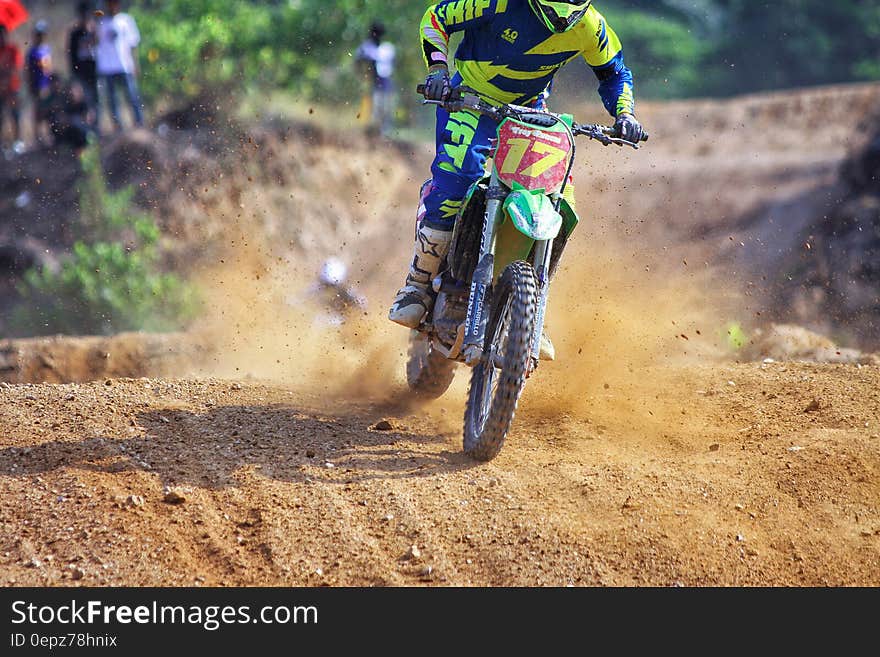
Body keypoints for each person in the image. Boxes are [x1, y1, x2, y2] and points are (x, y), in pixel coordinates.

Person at [387, 1, 646, 360]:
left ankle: (530, 313)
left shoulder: (591, 25)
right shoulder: (497, 2)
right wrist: (437, 72)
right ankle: (417, 286)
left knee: (559, 201)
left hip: (531, 115)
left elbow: (615, 73)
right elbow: (437, 17)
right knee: (457, 179)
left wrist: (625, 114)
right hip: (469, 101)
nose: (561, 15)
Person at [95, 0, 143, 131]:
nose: (112, 6)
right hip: (107, 67)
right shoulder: (101, 23)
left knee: (132, 96)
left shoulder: (126, 20)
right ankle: (118, 127)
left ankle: (139, 123)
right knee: (112, 100)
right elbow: (95, 43)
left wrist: (135, 63)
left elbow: (133, 44)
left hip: (124, 65)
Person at [355, 22, 396, 137]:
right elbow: (358, 62)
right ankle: (371, 131)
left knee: (385, 108)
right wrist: (362, 76)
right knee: (374, 108)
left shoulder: (386, 48)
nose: (376, 36)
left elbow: (391, 65)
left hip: (384, 82)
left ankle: (383, 132)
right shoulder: (367, 47)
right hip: (372, 82)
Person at [68, 1, 98, 129]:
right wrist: (74, 74)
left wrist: (94, 32)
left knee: (97, 100)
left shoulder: (95, 31)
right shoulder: (75, 34)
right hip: (81, 71)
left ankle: (97, 127)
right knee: (86, 101)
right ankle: (88, 130)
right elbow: (71, 55)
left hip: (96, 70)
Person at [25, 20, 53, 145]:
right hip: (37, 86)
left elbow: (49, 68)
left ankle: (48, 135)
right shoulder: (32, 52)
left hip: (47, 85)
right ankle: (38, 137)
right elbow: (29, 71)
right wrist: (32, 86)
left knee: (48, 111)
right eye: (38, 34)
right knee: (38, 112)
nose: (41, 36)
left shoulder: (47, 49)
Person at [0, 25, 24, 154]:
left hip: (12, 87)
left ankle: (18, 141)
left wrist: (5, 73)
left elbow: (15, 67)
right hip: (0, 90)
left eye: (3, 35)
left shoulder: (13, 49)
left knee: (15, 115)